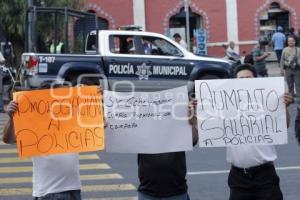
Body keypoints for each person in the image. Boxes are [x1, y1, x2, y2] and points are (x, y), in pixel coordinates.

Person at [2, 81, 84, 200]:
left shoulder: (70, 121)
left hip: (74, 190)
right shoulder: (34, 124)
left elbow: (97, 125)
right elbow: (8, 139)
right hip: (49, 193)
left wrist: (94, 96)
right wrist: (12, 118)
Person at [227, 64, 293, 200]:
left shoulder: (268, 101)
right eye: (241, 79)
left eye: (248, 78)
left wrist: (283, 108)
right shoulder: (226, 105)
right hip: (238, 177)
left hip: (265, 175)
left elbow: (284, 125)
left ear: (256, 80)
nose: (245, 81)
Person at [137, 99, 199, 199]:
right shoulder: (142, 125)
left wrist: (191, 121)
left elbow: (193, 140)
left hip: (176, 192)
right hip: (147, 192)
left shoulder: (177, 122)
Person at [280, 36, 300, 101]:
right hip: (288, 69)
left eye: (292, 41)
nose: (290, 42)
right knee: (289, 85)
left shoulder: (298, 49)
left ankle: (299, 98)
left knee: (298, 84)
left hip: (297, 69)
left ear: (295, 41)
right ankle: (291, 98)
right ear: (287, 42)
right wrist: (281, 70)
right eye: (289, 41)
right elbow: (282, 60)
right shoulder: (284, 49)